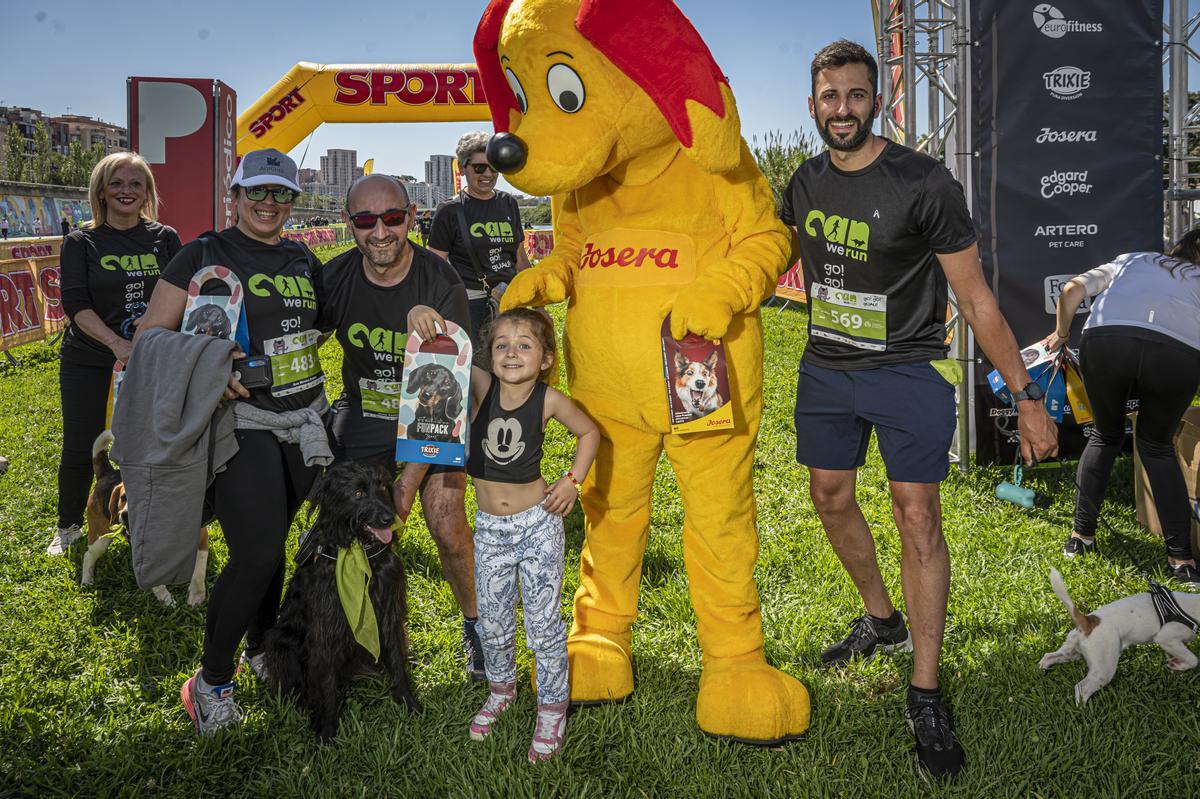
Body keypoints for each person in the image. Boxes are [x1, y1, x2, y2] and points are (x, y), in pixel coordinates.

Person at [782, 40, 1059, 780]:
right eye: (830, 96)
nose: (843, 108)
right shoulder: (801, 184)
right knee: (828, 496)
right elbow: (756, 254)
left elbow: (974, 298)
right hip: (826, 370)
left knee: (917, 514)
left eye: (856, 94)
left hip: (905, 370)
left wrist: (1028, 397)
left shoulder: (924, 182)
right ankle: (882, 619)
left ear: (878, 101)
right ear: (812, 106)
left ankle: (927, 689)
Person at [136, 148, 326, 735]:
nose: (269, 204)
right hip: (241, 420)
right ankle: (210, 683)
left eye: (281, 194)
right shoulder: (203, 253)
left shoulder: (303, 258)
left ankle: (261, 649)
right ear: (235, 195)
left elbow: (324, 325)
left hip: (306, 415)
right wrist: (210, 367)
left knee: (273, 542)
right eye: (257, 192)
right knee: (259, 552)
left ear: (293, 201)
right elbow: (149, 337)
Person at [317, 174, 488, 678]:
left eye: (392, 218)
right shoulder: (336, 277)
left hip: (436, 412)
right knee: (342, 527)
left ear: (411, 218)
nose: (381, 231)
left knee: (446, 521)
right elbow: (301, 339)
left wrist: (407, 484)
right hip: (365, 413)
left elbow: (449, 401)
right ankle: (349, 632)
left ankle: (477, 627)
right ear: (350, 224)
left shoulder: (440, 280)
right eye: (366, 220)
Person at [461, 308, 598, 762]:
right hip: (490, 531)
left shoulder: (550, 399)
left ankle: (552, 707)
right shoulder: (481, 388)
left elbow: (589, 432)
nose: (512, 352)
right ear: (488, 355)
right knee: (494, 621)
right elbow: (446, 352)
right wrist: (425, 317)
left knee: (543, 626)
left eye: (524, 345)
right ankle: (502, 689)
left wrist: (572, 482)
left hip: (537, 526)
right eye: (502, 345)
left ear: (544, 358)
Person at [1041, 236, 1200, 585]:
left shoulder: (1133, 258)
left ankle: (1080, 539)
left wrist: (1061, 334)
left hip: (1107, 341)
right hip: (1176, 353)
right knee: (1156, 447)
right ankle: (1181, 561)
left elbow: (1071, 290)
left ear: (1177, 248)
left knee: (1104, 435)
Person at [48, 151, 181, 556]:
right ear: (101, 191)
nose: (126, 191)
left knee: (150, 443)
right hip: (91, 358)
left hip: (150, 360)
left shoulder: (165, 238)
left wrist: (152, 340)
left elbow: (179, 295)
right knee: (80, 445)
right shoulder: (80, 241)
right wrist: (118, 344)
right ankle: (69, 524)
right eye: (117, 183)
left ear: (147, 193)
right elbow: (75, 303)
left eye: (135, 184)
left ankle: (149, 518)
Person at [428, 131, 531, 346]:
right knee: (478, 370)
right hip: (471, 305)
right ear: (463, 167)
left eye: (494, 166)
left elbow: (520, 258)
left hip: (510, 300)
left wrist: (537, 305)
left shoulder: (508, 203)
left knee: (511, 367)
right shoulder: (450, 210)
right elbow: (434, 268)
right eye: (479, 167)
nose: (488, 174)